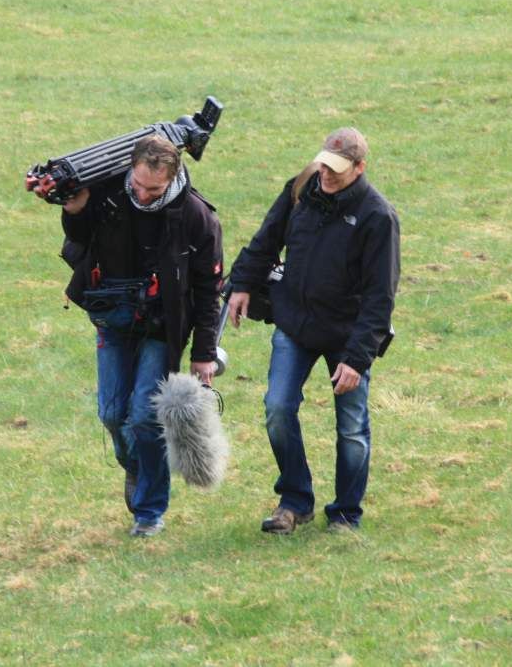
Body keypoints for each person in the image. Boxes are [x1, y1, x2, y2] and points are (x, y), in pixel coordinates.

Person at [35, 135, 222, 537]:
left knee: (143, 416)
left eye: (154, 189)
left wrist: (204, 352)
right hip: (112, 317)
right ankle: (139, 466)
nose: (142, 194)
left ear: (172, 178)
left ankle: (149, 512)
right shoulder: (108, 192)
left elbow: (209, 289)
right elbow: (79, 236)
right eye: (137, 184)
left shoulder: (196, 216)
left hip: (162, 326)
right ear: (130, 170)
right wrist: (74, 207)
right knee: (111, 413)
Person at [227, 128, 399, 534]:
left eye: (337, 169)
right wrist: (241, 284)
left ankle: (345, 513)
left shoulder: (378, 217)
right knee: (277, 409)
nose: (327, 174)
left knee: (351, 428)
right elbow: (267, 239)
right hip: (295, 324)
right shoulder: (301, 188)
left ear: (360, 168)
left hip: (347, 335)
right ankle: (294, 501)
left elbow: (380, 298)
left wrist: (356, 359)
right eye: (324, 164)